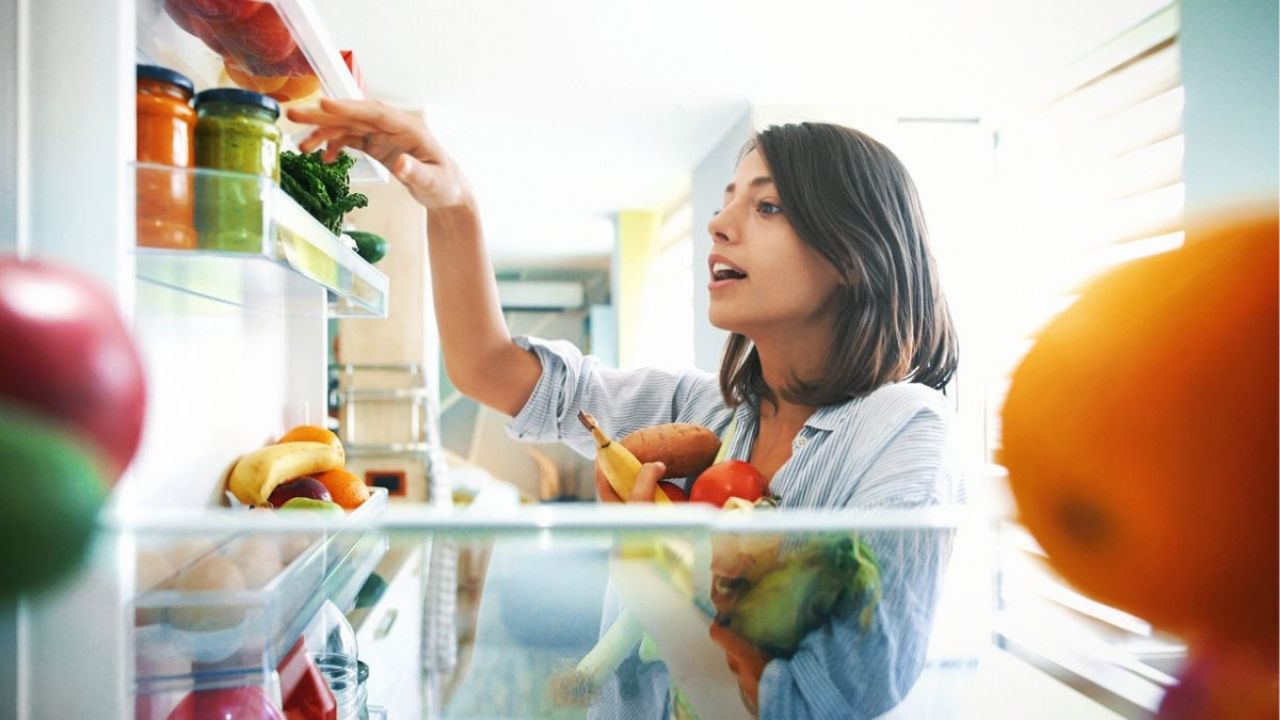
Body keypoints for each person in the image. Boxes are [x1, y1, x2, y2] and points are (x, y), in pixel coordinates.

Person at [291, 99, 963, 719]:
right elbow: (488, 369)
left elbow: (821, 702)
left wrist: (645, 567)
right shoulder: (708, 411)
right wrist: (452, 203)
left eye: (767, 207)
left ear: (853, 252)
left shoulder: (903, 430)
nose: (719, 222)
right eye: (728, 199)